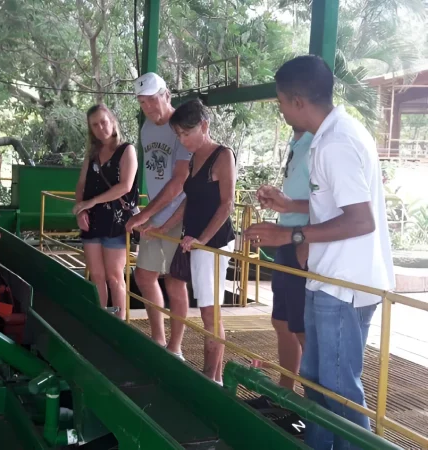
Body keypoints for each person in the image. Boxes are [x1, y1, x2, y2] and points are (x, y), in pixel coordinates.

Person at [244, 55, 395, 449]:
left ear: (296, 101)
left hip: (345, 284)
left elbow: (361, 221)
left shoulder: (336, 144)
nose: (280, 110)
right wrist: (289, 206)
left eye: (279, 102)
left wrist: (289, 237)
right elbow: (336, 207)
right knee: (316, 381)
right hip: (326, 279)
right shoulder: (332, 136)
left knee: (339, 391)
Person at [146, 99, 236, 384]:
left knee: (210, 314)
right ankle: (215, 376)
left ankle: (212, 378)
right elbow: (190, 202)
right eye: (179, 135)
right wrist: (161, 225)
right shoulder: (195, 156)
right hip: (196, 244)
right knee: (208, 310)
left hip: (214, 245)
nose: (183, 140)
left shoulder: (223, 156)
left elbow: (227, 205)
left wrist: (202, 239)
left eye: (187, 133)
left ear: (205, 126)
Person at [125, 73, 191, 359]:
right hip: (154, 211)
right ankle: (158, 339)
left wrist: (145, 215)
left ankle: (176, 348)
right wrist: (146, 212)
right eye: (142, 102)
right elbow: (153, 173)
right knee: (144, 274)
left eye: (152, 99)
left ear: (167, 95)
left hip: (180, 212)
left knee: (175, 280)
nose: (149, 107)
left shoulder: (182, 127)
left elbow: (179, 181)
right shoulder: (146, 130)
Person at [247, 127, 312, 410]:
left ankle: (314, 406)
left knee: (302, 329)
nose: (282, 109)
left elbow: (334, 206)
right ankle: (284, 395)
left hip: (304, 240)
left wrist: (290, 215)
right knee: (282, 321)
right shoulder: (297, 140)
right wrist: (280, 202)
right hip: (287, 237)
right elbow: (300, 200)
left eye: (284, 101)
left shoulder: (322, 140)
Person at [73, 104, 139, 320]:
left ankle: (119, 322)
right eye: (95, 125)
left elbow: (125, 186)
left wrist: (91, 202)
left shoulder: (126, 150)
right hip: (92, 221)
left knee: (114, 276)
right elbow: (81, 184)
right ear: (91, 129)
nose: (100, 127)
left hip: (116, 222)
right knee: (97, 275)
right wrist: (81, 209)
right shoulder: (92, 154)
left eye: (103, 121)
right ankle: (102, 319)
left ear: (112, 121)